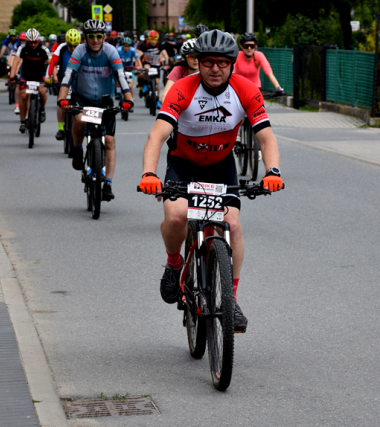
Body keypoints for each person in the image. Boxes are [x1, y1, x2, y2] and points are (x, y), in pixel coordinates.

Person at [139, 30, 284, 332]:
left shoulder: (245, 90)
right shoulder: (182, 88)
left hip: (221, 165)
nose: (214, 69)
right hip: (183, 163)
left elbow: (266, 138)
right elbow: (157, 134)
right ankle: (173, 263)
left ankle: (230, 300)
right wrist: (149, 174)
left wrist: (272, 172)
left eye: (221, 63)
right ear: (198, 63)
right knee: (177, 217)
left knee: (232, 225)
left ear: (231, 64)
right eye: (207, 62)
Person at [57, 18, 134, 202]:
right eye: (91, 36)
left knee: (109, 142)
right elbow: (68, 76)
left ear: (104, 37)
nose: (95, 40)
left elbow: (121, 76)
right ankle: (77, 149)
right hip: (82, 97)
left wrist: (128, 99)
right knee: (79, 120)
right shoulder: (79, 51)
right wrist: (62, 98)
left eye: (99, 36)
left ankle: (107, 184)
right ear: (86, 37)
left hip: (104, 100)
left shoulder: (111, 51)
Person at [9, 28, 51, 133]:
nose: (33, 44)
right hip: (26, 75)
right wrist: (12, 76)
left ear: (39, 40)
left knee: (42, 91)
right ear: (27, 41)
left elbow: (51, 64)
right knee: (24, 95)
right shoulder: (22, 48)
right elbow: (15, 62)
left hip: (40, 75)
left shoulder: (43, 49)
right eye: (30, 42)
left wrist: (53, 77)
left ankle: (42, 110)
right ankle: (23, 122)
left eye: (35, 42)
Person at [48, 28, 81, 140]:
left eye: (75, 45)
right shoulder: (61, 48)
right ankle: (61, 128)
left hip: (79, 81)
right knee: (61, 103)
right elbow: (52, 62)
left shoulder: (84, 50)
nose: (72, 48)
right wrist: (48, 77)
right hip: (64, 80)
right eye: (70, 45)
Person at [136, 30, 168, 106]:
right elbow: (139, 55)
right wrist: (136, 63)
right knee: (146, 67)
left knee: (157, 82)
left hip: (156, 64)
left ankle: (157, 99)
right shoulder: (145, 45)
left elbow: (165, 55)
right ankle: (145, 85)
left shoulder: (159, 45)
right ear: (149, 39)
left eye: (155, 40)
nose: (153, 42)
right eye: (151, 40)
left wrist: (166, 64)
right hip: (147, 62)